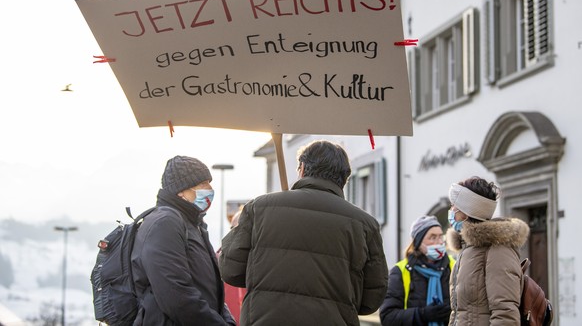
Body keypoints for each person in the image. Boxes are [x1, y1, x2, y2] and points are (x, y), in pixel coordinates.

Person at [219, 140, 388, 326]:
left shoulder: (259, 208)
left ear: (302, 168)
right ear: (345, 178)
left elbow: (230, 270)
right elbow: (371, 299)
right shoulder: (365, 225)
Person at [131, 155, 236, 326]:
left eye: (209, 182)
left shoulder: (194, 224)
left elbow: (210, 291)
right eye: (201, 184)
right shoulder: (165, 223)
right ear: (180, 190)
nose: (209, 188)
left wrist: (227, 320)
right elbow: (176, 295)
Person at [447, 176, 530, 325]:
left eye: (454, 206)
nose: (451, 211)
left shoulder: (498, 251)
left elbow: (505, 315)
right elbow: (458, 312)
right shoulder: (466, 250)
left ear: (466, 212)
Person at [379, 215, 454, 326]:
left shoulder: (453, 267)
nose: (439, 242)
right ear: (418, 242)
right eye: (432, 237)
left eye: (440, 237)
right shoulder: (400, 271)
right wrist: (422, 314)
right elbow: (387, 317)